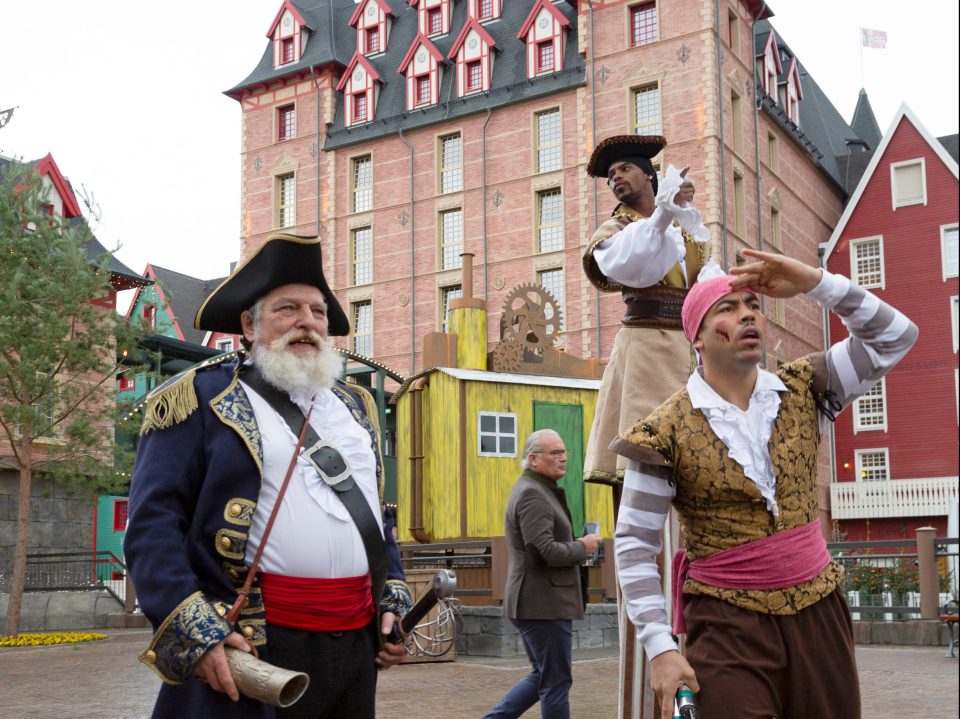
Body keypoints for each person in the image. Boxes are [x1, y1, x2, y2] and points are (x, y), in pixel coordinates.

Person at [612, 249, 918, 719]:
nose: (747, 314)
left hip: (819, 612)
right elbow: (634, 544)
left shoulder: (807, 388)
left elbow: (897, 335)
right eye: (727, 308)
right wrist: (661, 647)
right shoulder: (663, 431)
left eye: (752, 304)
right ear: (697, 336)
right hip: (726, 622)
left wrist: (816, 282)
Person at [124, 233, 412, 719]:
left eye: (318, 312)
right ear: (249, 324)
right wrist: (198, 633)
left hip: (354, 648)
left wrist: (392, 596)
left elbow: (375, 520)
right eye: (288, 309)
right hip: (252, 644)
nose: (308, 322)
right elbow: (152, 525)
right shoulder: (199, 397)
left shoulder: (356, 408)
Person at [582, 134, 709, 492]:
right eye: (610, 175)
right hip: (645, 348)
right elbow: (635, 262)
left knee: (693, 461)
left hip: (691, 349)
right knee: (639, 457)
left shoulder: (689, 230)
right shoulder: (615, 230)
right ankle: (639, 547)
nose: (615, 178)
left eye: (624, 169)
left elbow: (707, 282)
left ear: (648, 175)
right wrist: (666, 212)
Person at [485, 430, 603, 719]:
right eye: (555, 453)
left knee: (544, 676)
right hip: (542, 603)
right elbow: (544, 552)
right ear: (533, 459)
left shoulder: (536, 490)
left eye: (563, 452)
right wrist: (582, 546)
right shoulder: (532, 495)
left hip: (539, 602)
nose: (562, 458)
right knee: (555, 681)